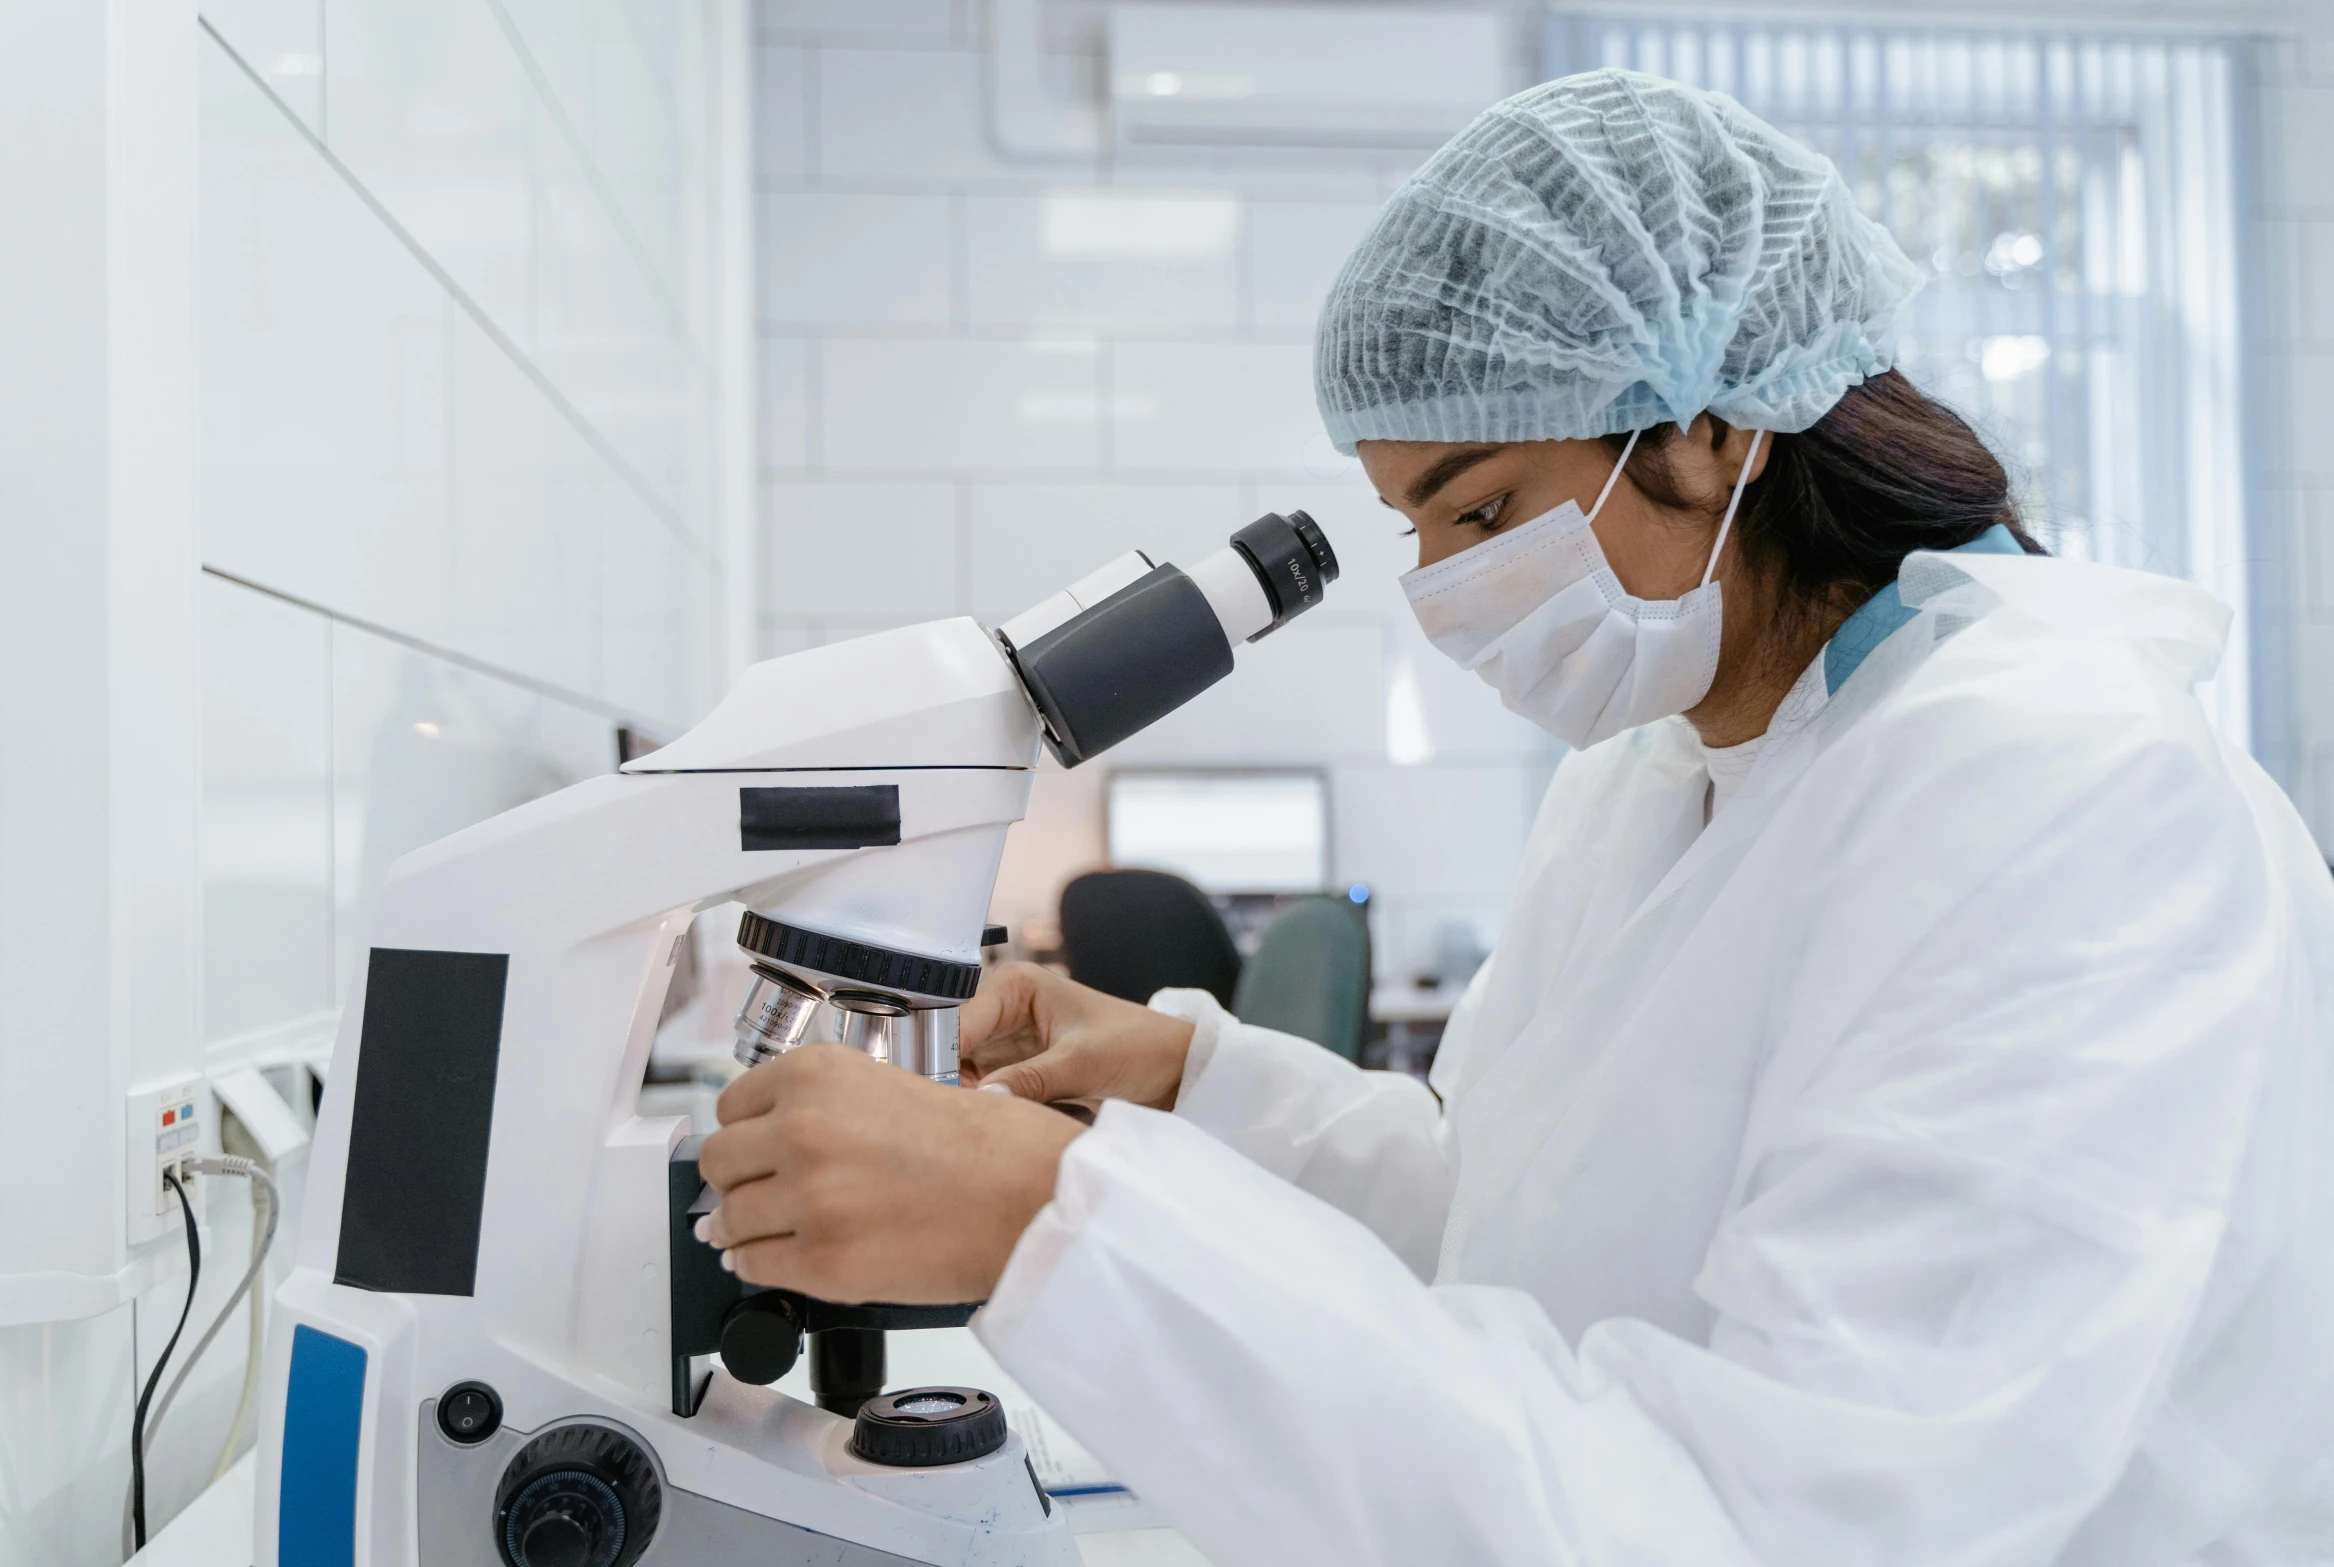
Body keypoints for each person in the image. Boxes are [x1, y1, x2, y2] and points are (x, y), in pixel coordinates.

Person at [697, 69, 2334, 1562]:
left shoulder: (2061, 799)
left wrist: (1056, 1227)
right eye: (1417, 527)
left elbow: (1790, 1520)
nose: (1440, 594)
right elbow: (1509, 1217)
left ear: (1708, 427)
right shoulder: (1665, 771)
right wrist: (1182, 1085)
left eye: (1477, 509)